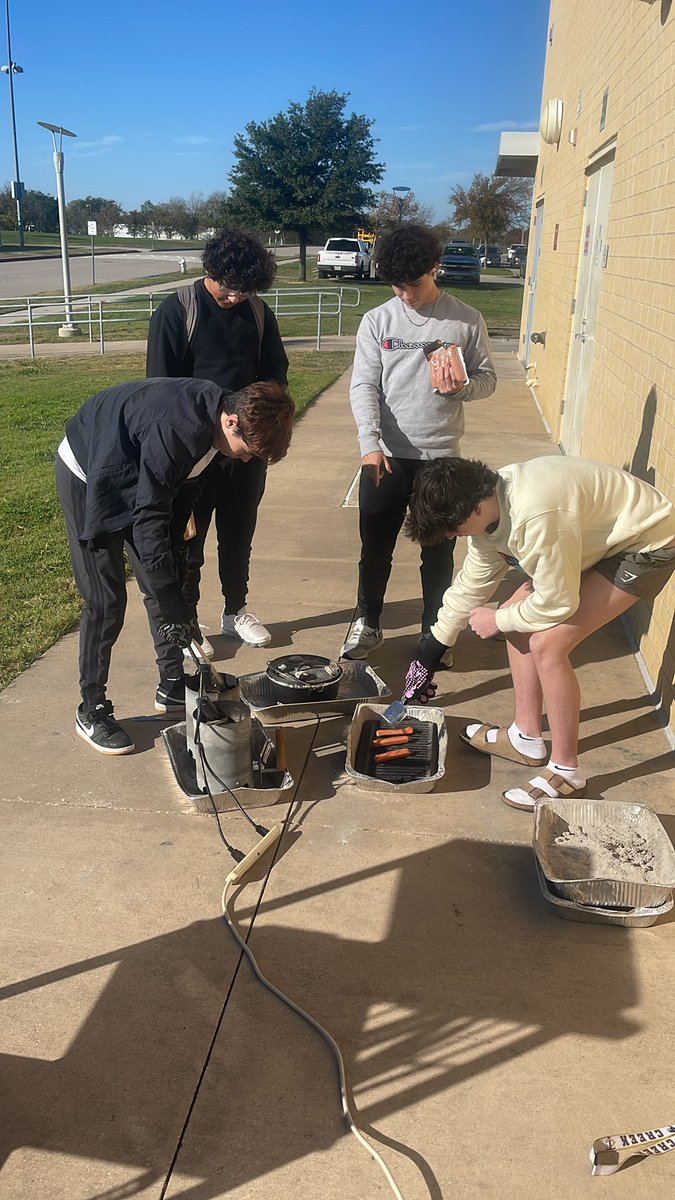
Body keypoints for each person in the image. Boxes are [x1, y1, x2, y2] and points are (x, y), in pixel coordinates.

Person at [402, 455, 675, 810]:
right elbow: (472, 582)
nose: (452, 534)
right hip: (595, 538)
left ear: (477, 505)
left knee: (547, 644)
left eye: (452, 525)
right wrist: (433, 647)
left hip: (645, 542)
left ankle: (567, 772)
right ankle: (525, 738)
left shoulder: (535, 516)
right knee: (517, 618)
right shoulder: (488, 510)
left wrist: (497, 622)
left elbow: (557, 604)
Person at [56, 377, 294, 756]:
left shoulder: (217, 425)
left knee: (163, 578)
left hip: (139, 463)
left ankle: (171, 684)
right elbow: (149, 514)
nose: (246, 458)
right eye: (247, 449)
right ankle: (92, 708)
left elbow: (185, 486)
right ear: (231, 421)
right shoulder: (178, 429)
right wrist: (169, 593)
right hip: (90, 467)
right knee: (106, 599)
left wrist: (175, 560)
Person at [340, 224, 496, 661]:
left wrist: (461, 389)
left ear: (435, 268)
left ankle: (436, 632)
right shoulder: (378, 321)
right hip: (385, 456)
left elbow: (488, 380)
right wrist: (369, 444)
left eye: (415, 283)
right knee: (375, 548)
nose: (405, 293)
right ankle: (368, 623)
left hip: (442, 458)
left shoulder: (465, 318)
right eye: (397, 284)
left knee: (440, 554)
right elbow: (364, 386)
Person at [147, 228, 288, 660]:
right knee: (189, 539)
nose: (235, 298)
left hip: (245, 448)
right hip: (194, 451)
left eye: (245, 291)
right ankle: (189, 621)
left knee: (238, 532)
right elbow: (159, 390)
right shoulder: (177, 312)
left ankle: (235, 610)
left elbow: (276, 374)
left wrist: (262, 422)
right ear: (211, 271)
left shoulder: (259, 314)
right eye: (229, 290)